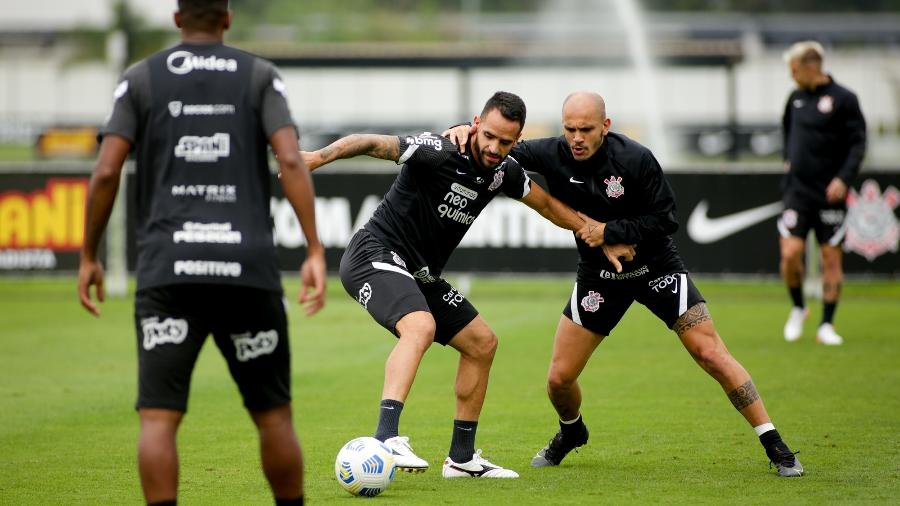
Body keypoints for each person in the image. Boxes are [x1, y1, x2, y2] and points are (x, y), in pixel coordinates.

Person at [445, 91, 804, 477]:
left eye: (586, 129)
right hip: (599, 278)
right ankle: (572, 432)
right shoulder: (550, 152)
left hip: (656, 269)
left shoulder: (635, 159)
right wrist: (463, 129)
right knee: (558, 380)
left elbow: (666, 219)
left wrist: (610, 230)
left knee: (711, 354)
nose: (577, 138)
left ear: (606, 126)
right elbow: (498, 145)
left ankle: (775, 445)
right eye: (570, 129)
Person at [77, 1, 326, 503]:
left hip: (168, 274)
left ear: (177, 19)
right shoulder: (259, 76)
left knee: (159, 418)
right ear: (227, 18)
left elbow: (105, 172)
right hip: (246, 272)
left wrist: (89, 255)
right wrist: (314, 249)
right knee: (273, 414)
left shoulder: (140, 78)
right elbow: (291, 162)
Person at [300, 91, 619, 479]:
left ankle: (462, 459)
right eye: (489, 136)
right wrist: (317, 158)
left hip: (420, 272)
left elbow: (549, 207)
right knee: (420, 325)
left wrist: (597, 231)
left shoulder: (504, 172)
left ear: (516, 141)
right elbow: (370, 143)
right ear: (475, 123)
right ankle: (385, 437)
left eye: (506, 142)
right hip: (373, 254)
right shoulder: (437, 149)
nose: (494, 147)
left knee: (482, 343)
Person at [778, 41, 866, 346]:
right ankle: (799, 307)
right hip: (797, 193)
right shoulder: (795, 98)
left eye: (794, 70)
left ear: (811, 65)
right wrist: (788, 160)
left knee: (831, 258)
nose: (792, 76)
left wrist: (843, 178)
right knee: (790, 254)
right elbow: (787, 133)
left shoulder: (845, 99)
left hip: (830, 195)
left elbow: (858, 143)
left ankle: (826, 324)